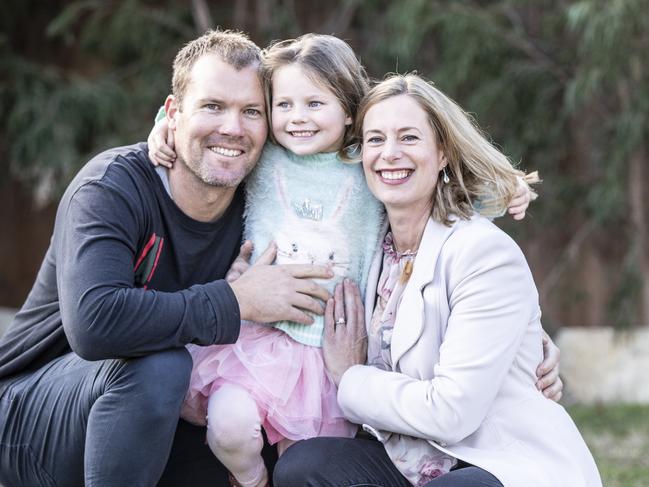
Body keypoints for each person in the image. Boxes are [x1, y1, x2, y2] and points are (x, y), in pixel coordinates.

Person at [0, 30, 335, 487]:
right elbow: (94, 323)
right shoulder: (111, 187)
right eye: (213, 106)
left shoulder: (264, 203)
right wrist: (236, 301)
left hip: (159, 424)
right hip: (31, 419)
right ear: (173, 113)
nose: (232, 128)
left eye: (251, 111)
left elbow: (346, 129)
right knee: (160, 364)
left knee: (259, 424)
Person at [272, 74, 602, 487]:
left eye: (408, 138)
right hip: (409, 459)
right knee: (304, 466)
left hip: (496, 461)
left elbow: (451, 415)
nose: (389, 154)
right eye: (375, 140)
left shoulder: (483, 253)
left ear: (442, 151)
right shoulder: (368, 245)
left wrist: (350, 376)